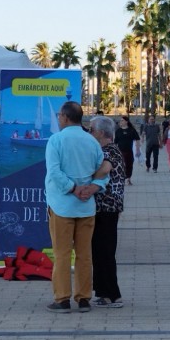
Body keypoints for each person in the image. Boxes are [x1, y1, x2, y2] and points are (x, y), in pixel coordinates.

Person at [44, 101, 108, 313]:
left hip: (62, 204)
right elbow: (103, 171)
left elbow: (54, 171)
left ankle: (62, 299)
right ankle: (83, 298)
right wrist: (91, 188)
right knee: (84, 254)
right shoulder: (92, 142)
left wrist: (72, 189)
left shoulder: (56, 140)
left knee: (62, 254)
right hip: (86, 206)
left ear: (64, 116)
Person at [88, 115, 127, 308]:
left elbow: (105, 169)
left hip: (107, 208)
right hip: (105, 208)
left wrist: (86, 178)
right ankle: (103, 292)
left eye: (91, 130)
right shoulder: (109, 149)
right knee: (100, 250)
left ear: (101, 133)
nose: (90, 133)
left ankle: (113, 294)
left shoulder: (109, 150)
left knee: (105, 251)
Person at [114, 116, 141, 185]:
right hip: (120, 151)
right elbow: (115, 142)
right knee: (122, 165)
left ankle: (128, 178)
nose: (121, 122)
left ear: (126, 121)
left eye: (122, 120)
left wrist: (137, 149)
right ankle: (122, 178)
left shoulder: (131, 130)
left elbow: (137, 139)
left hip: (129, 151)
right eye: (120, 121)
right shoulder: (118, 131)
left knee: (129, 165)